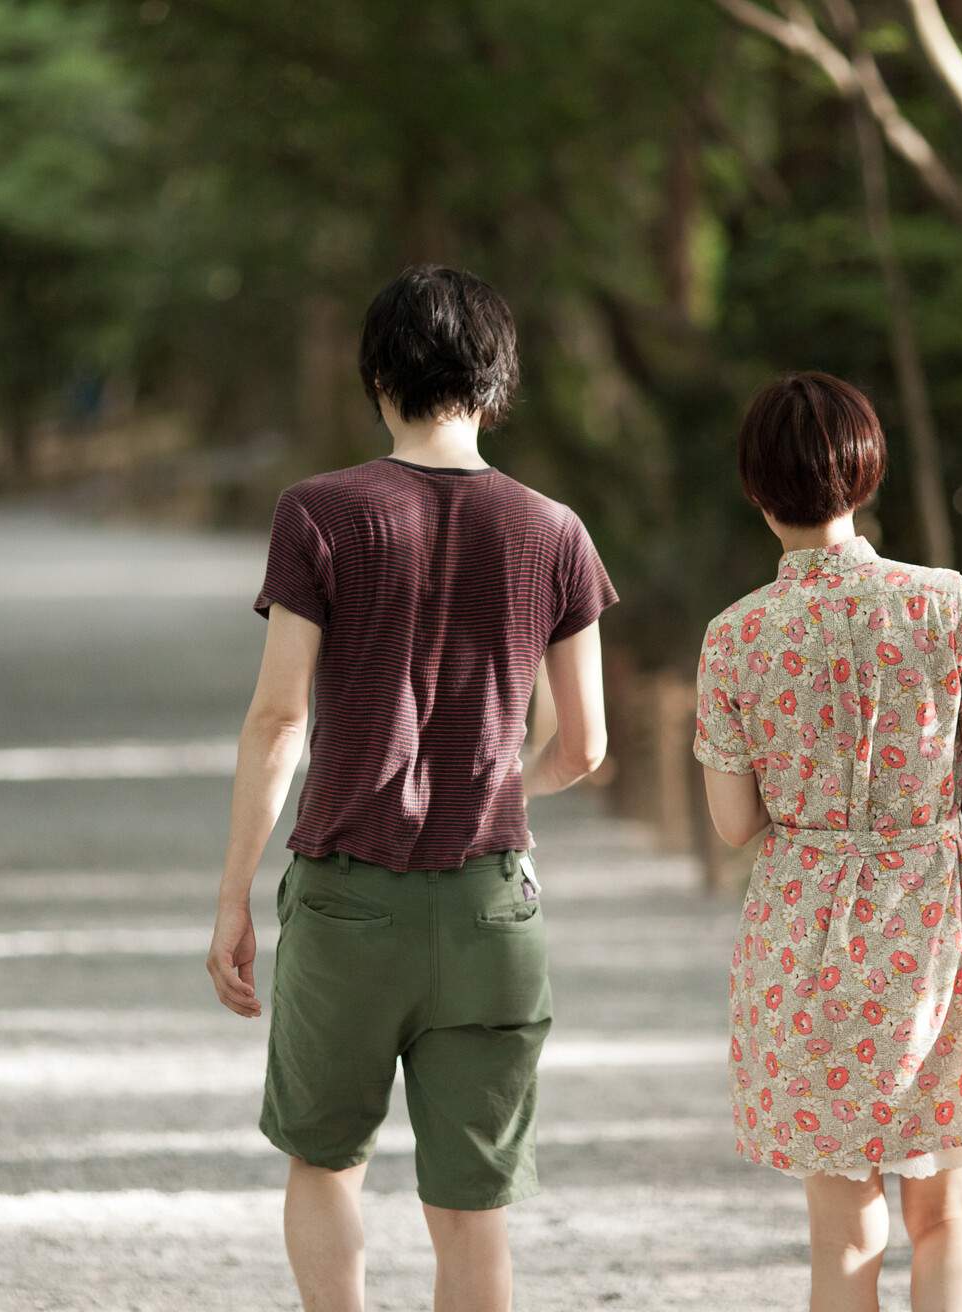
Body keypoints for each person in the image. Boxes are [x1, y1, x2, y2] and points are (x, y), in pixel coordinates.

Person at [205, 265, 617, 1312]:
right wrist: (492, 783)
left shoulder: (321, 514)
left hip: (347, 901)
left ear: (379, 378)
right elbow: (585, 746)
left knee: (327, 1159)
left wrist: (233, 896)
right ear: (496, 384)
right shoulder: (554, 530)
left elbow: (278, 719)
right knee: (474, 1206)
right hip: (491, 905)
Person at [692, 372, 962, 1312]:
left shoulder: (736, 636)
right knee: (951, 1215)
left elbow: (733, 823)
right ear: (865, 476)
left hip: (805, 940)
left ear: (757, 490)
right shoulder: (944, 603)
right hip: (934, 932)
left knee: (842, 1240)